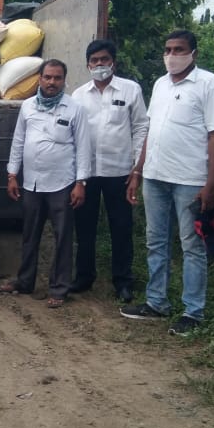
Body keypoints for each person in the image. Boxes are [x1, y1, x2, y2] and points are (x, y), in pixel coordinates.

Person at [121, 29, 214, 335]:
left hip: (190, 179)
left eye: (178, 49)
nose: (171, 55)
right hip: (155, 176)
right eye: (167, 49)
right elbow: (150, 129)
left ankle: (193, 312)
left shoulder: (208, 84)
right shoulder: (160, 84)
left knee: (191, 246)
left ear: (194, 53)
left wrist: (211, 182)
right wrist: (138, 171)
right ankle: (157, 302)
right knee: (156, 241)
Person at [0, 59, 91, 308]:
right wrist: (12, 175)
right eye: (48, 77)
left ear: (64, 80)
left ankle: (59, 288)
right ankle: (25, 280)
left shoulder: (75, 109)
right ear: (39, 79)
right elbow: (19, 141)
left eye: (57, 78)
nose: (52, 82)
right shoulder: (28, 106)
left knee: (62, 237)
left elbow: (84, 148)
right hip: (31, 183)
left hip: (62, 184)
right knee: (29, 234)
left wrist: (80, 182)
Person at [70, 39, 148, 303]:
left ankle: (123, 281)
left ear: (113, 62)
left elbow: (140, 129)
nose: (100, 64)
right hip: (88, 173)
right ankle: (84, 277)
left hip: (121, 172)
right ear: (88, 65)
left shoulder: (130, 90)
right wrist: (76, 174)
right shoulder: (79, 95)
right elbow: (74, 134)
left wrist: (136, 170)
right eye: (94, 61)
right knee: (85, 228)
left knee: (122, 227)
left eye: (104, 59)